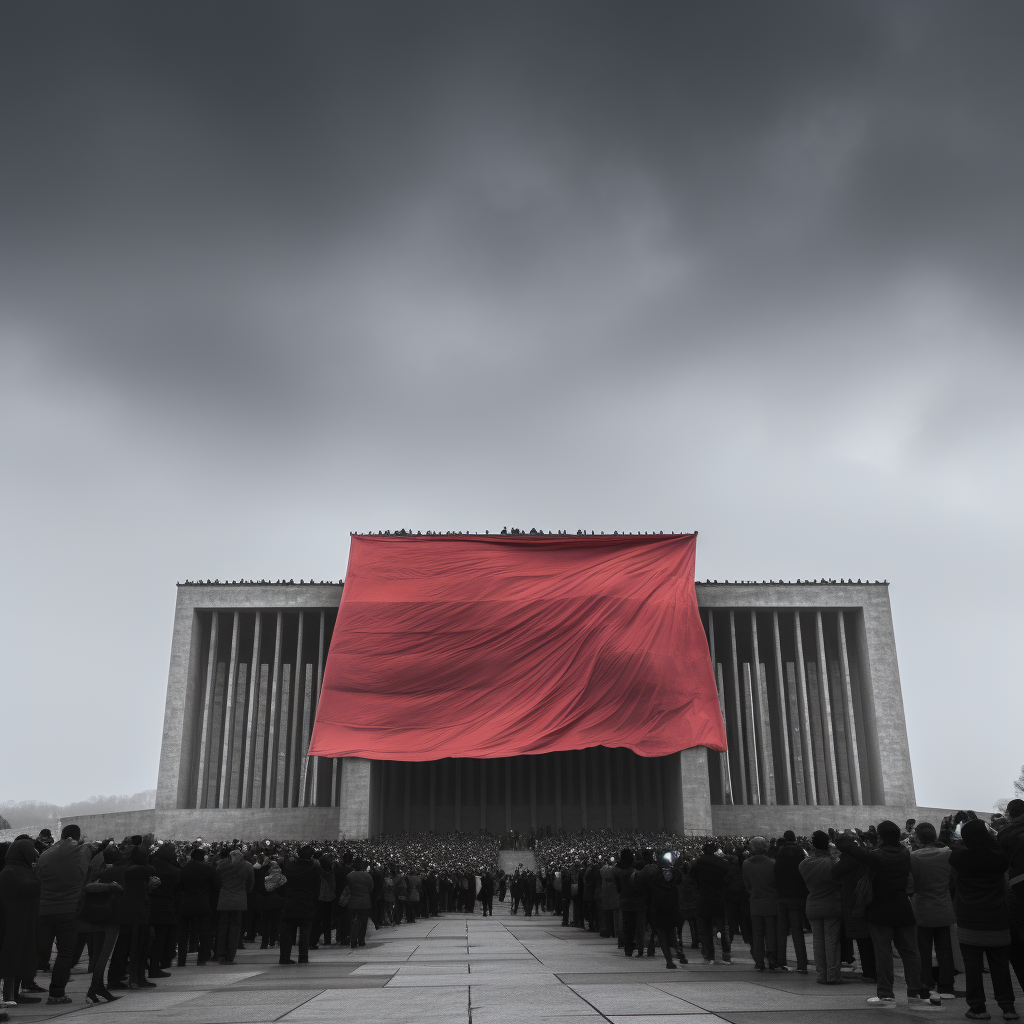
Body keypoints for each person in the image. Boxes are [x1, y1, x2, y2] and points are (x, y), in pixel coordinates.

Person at [836, 822, 937, 1009]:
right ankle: (915, 990)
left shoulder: (877, 857)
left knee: (883, 953)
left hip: (880, 908)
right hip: (903, 906)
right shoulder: (905, 853)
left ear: (881, 837)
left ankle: (885, 993)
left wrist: (841, 837)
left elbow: (853, 850)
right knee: (910, 952)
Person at [949, 819, 1017, 1021]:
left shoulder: (959, 858)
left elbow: (952, 845)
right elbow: (996, 842)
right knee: (1000, 965)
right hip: (997, 918)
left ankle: (978, 1008)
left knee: (973, 967)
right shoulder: (999, 857)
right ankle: (1008, 1007)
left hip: (969, 919)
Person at [34, 824, 94, 1004]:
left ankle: (18, 987)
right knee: (65, 953)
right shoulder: (82, 852)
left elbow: (37, 876)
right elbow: (85, 875)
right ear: (77, 836)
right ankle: (57, 992)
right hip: (69, 909)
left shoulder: (46, 854)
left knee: (39, 950)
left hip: (44, 909)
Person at [910, 822, 956, 1000]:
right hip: (943, 906)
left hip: (922, 907)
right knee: (945, 948)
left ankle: (926, 982)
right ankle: (946, 984)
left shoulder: (914, 857)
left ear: (919, 838)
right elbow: (952, 880)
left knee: (923, 948)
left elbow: (912, 883)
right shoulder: (948, 854)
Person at [799, 831, 844, 985]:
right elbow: (839, 869)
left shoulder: (804, 864)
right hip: (831, 903)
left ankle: (821, 974)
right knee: (831, 942)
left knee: (817, 942)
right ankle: (832, 975)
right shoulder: (832, 862)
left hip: (812, 904)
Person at [1, 840, 41, 1007]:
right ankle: (9, 995)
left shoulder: (20, 869)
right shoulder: (10, 872)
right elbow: (23, 889)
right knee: (12, 958)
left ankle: (15, 994)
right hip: (12, 923)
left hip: (23, 920)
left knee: (21, 957)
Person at [689, 843, 731, 965]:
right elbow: (728, 878)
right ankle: (726, 953)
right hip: (718, 898)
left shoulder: (697, 863)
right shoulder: (722, 863)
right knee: (722, 929)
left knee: (705, 931)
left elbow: (691, 878)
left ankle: (709, 955)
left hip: (704, 898)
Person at [774, 830, 809, 974]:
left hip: (782, 896)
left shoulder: (780, 853)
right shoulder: (801, 851)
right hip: (797, 896)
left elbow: (776, 871)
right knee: (797, 931)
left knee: (781, 931)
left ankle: (781, 961)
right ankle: (801, 964)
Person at [742, 837, 778, 971]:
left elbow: (747, 885)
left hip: (755, 901)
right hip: (771, 901)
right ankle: (772, 958)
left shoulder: (746, 864)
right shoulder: (772, 863)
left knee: (757, 933)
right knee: (771, 932)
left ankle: (759, 961)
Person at [177, 848, 217, 966]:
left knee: (183, 933)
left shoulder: (184, 869)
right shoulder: (209, 869)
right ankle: (202, 958)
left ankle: (181, 959)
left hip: (186, 903)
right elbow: (216, 886)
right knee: (204, 932)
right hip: (203, 903)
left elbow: (181, 886)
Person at [279, 847, 320, 965]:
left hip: (290, 901)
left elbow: (284, 884)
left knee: (286, 932)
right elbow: (317, 887)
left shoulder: (290, 867)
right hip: (307, 901)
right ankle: (303, 956)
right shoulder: (314, 869)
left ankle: (284, 957)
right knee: (305, 932)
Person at [215, 848, 254, 964]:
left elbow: (217, 882)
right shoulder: (247, 866)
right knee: (235, 929)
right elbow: (250, 884)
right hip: (239, 899)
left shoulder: (221, 866)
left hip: (224, 898)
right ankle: (230, 956)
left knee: (222, 928)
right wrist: (244, 892)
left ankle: (220, 954)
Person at [147, 844, 180, 977]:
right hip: (165, 908)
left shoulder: (149, 866)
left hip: (147, 905)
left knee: (145, 939)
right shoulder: (175, 871)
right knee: (159, 940)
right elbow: (177, 893)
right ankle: (155, 967)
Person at [646, 861, 686, 968]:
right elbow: (682, 879)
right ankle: (678, 953)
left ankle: (669, 960)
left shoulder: (654, 882)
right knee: (672, 936)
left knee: (662, 937)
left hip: (657, 912)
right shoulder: (674, 883)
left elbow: (648, 897)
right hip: (671, 912)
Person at [614, 850, 646, 958]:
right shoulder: (637, 872)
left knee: (627, 926)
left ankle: (628, 948)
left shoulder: (619, 873)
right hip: (638, 901)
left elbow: (618, 889)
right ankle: (640, 947)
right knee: (640, 926)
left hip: (625, 901)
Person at [341, 859, 373, 949]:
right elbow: (371, 887)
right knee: (363, 922)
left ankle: (353, 940)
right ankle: (361, 940)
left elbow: (347, 889)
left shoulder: (349, 876)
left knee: (354, 921)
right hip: (365, 901)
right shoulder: (367, 876)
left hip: (353, 901)